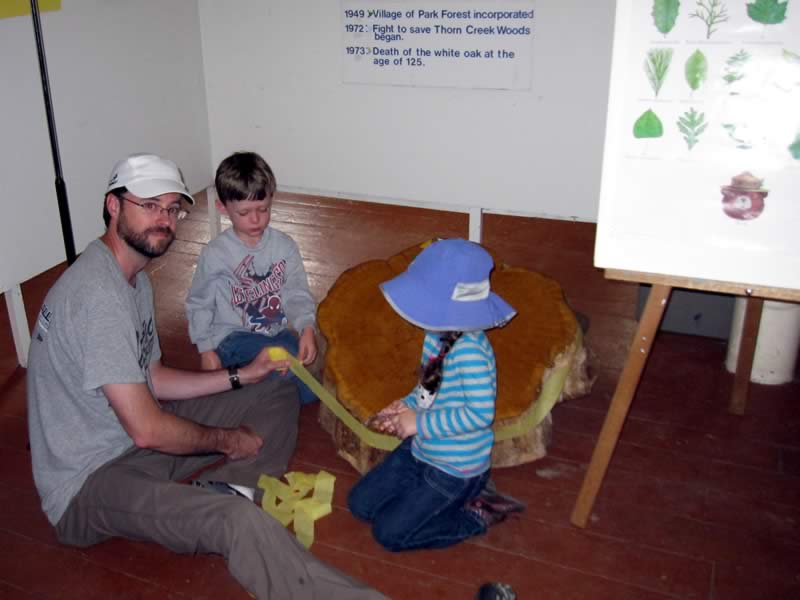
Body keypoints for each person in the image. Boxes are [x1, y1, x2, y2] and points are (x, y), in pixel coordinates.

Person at [26, 152, 386, 600]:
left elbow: (153, 378)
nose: (164, 219)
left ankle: (236, 486)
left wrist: (241, 374)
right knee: (233, 521)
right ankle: (235, 509)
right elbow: (146, 429)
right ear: (113, 205)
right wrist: (227, 439)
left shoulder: (131, 278)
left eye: (172, 208)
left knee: (273, 386)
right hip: (90, 484)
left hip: (135, 441)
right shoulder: (97, 296)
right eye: (149, 205)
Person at [347, 238, 521, 552]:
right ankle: (425, 501)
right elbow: (429, 387)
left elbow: (480, 415)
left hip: (454, 469)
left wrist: (419, 424)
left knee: (389, 533)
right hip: (421, 450)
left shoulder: (471, 353)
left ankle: (476, 513)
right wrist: (407, 406)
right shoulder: (437, 335)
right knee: (359, 504)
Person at [186, 151, 318, 404]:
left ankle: (256, 389)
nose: (255, 220)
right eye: (244, 213)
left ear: (271, 199)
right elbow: (199, 303)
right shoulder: (216, 254)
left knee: (309, 391)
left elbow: (296, 291)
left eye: (263, 209)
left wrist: (306, 327)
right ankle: (246, 386)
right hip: (233, 338)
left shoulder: (284, 246)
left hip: (276, 334)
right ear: (223, 208)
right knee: (285, 371)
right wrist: (206, 349)